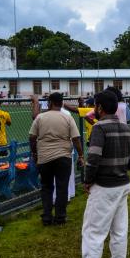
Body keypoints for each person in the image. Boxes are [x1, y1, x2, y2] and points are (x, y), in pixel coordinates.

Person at [67, 90, 130, 258]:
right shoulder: (125, 126)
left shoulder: (100, 128)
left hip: (104, 187)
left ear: (99, 108)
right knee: (119, 231)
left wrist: (88, 180)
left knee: (93, 233)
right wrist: (124, 167)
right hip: (122, 185)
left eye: (95, 106)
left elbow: (93, 158)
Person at [29, 92, 84, 226]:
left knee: (46, 187)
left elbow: (32, 137)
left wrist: (35, 153)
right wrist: (81, 155)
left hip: (45, 157)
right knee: (62, 186)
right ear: (61, 103)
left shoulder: (40, 117)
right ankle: (60, 217)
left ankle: (47, 217)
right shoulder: (67, 118)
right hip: (63, 157)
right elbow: (76, 139)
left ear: (49, 103)